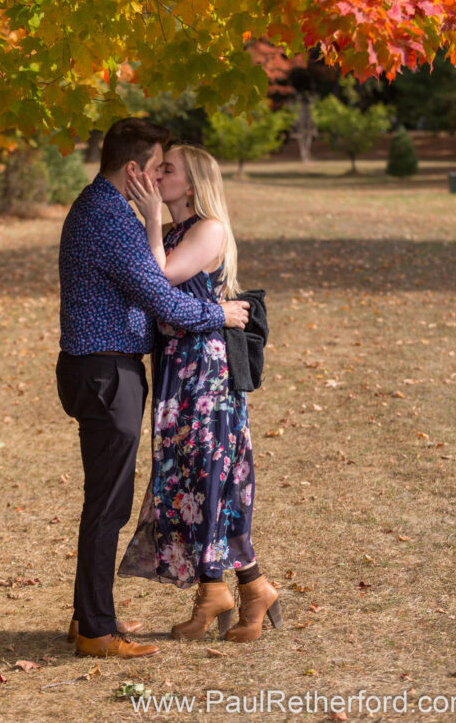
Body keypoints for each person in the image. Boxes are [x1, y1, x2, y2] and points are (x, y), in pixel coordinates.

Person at [56, 118, 250, 659]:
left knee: (104, 501)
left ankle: (88, 615)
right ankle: (97, 630)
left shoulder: (100, 206)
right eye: (157, 165)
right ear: (135, 169)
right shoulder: (111, 217)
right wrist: (220, 315)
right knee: (108, 507)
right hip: (106, 373)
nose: (161, 175)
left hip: (98, 369)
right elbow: (163, 299)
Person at [118, 143, 282, 642]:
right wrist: (155, 224)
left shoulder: (208, 228)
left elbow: (159, 280)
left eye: (167, 170)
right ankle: (229, 589)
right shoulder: (176, 231)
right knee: (190, 477)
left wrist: (150, 219)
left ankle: (239, 589)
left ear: (191, 185)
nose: (156, 176)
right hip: (176, 365)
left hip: (205, 373)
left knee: (211, 476)